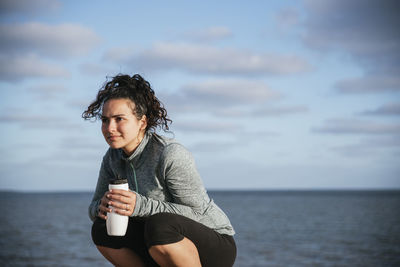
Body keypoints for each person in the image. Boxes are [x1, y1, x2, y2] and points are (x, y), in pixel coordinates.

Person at [82, 74, 236, 267]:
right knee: (102, 229)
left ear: (142, 122)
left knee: (160, 225)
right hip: (156, 242)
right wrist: (101, 207)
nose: (109, 128)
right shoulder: (112, 158)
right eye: (105, 120)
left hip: (214, 244)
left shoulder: (170, 154)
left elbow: (198, 213)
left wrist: (140, 205)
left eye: (119, 119)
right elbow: (92, 208)